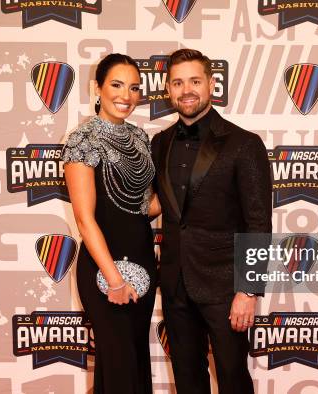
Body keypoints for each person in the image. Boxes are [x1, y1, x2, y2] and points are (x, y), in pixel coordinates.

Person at [151, 49, 272, 394]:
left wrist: (248, 290)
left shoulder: (244, 143)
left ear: (211, 84)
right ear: (168, 89)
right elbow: (155, 205)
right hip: (175, 283)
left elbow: (259, 222)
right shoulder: (159, 143)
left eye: (194, 81)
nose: (186, 90)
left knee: (233, 379)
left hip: (225, 287)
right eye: (177, 82)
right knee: (188, 380)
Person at [63, 53, 161, 394]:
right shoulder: (82, 139)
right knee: (121, 366)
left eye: (134, 88)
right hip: (104, 269)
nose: (126, 95)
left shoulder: (140, 138)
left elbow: (143, 207)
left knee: (129, 362)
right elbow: (84, 219)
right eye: (117, 85)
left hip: (143, 261)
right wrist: (114, 279)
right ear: (97, 88)